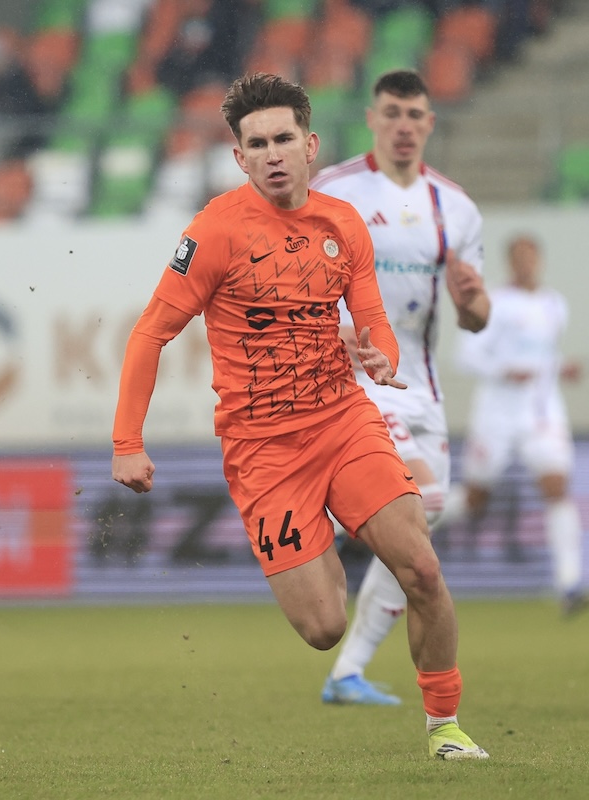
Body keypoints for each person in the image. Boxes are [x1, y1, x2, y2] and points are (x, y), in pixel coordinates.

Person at [111, 72, 488, 760]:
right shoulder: (215, 230)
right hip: (264, 450)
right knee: (323, 628)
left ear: (310, 146)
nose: (273, 153)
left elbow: (373, 321)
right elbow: (149, 334)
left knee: (422, 569)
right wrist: (126, 442)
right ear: (240, 158)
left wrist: (381, 358)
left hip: (344, 420)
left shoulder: (342, 224)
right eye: (257, 144)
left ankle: (446, 727)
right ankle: (322, 540)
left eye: (284, 138)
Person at [308, 69, 491, 706]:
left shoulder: (456, 208)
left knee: (422, 524)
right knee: (426, 494)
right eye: (392, 113)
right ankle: (326, 517)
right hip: (357, 380)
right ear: (372, 119)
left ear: (430, 123)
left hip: (422, 388)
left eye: (415, 115)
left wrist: (473, 301)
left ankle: (347, 673)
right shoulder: (334, 189)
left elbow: (477, 317)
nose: (404, 126)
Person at [452, 234, 585, 615]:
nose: (526, 263)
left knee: (556, 488)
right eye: (519, 256)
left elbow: (542, 356)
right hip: (496, 414)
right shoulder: (493, 301)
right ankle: (412, 527)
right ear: (510, 261)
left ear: (539, 259)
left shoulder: (554, 303)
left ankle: (570, 584)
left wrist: (561, 367)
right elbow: (466, 356)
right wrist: (504, 371)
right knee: (475, 499)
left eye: (531, 255)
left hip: (541, 414)